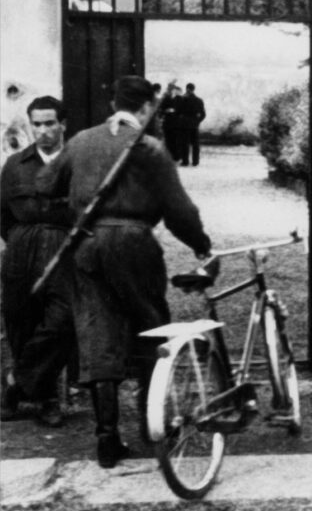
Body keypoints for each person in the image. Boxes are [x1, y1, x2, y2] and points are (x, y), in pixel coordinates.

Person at [37, 75, 212, 468]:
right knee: (151, 327)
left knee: (98, 332)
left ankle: (106, 439)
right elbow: (179, 210)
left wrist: (78, 210)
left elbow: (45, 183)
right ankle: (154, 431)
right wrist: (201, 244)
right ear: (148, 108)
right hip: (135, 246)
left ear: (112, 104)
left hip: (87, 247)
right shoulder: (149, 148)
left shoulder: (81, 141)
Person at [0, 95, 75, 426]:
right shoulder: (15, 165)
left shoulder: (78, 161)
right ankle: (45, 399)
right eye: (37, 124)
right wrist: (18, 242)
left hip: (64, 248)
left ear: (63, 125)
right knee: (20, 321)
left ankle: (15, 383)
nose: (43, 130)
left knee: (63, 321)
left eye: (49, 123)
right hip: (22, 248)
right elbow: (2, 214)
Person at [179, 82, 206, 166]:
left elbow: (178, 112)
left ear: (187, 89)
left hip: (185, 124)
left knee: (185, 144)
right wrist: (198, 121)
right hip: (195, 124)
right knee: (195, 144)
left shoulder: (183, 99)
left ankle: (185, 161)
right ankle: (195, 161)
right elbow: (203, 114)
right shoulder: (199, 100)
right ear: (194, 89)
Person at [161, 81, 184, 161]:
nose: (170, 90)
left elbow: (183, 110)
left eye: (172, 88)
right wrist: (166, 111)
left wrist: (175, 111)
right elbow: (160, 109)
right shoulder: (166, 98)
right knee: (168, 140)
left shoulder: (180, 99)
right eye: (169, 88)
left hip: (176, 123)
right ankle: (169, 156)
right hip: (167, 123)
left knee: (176, 140)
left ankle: (177, 156)